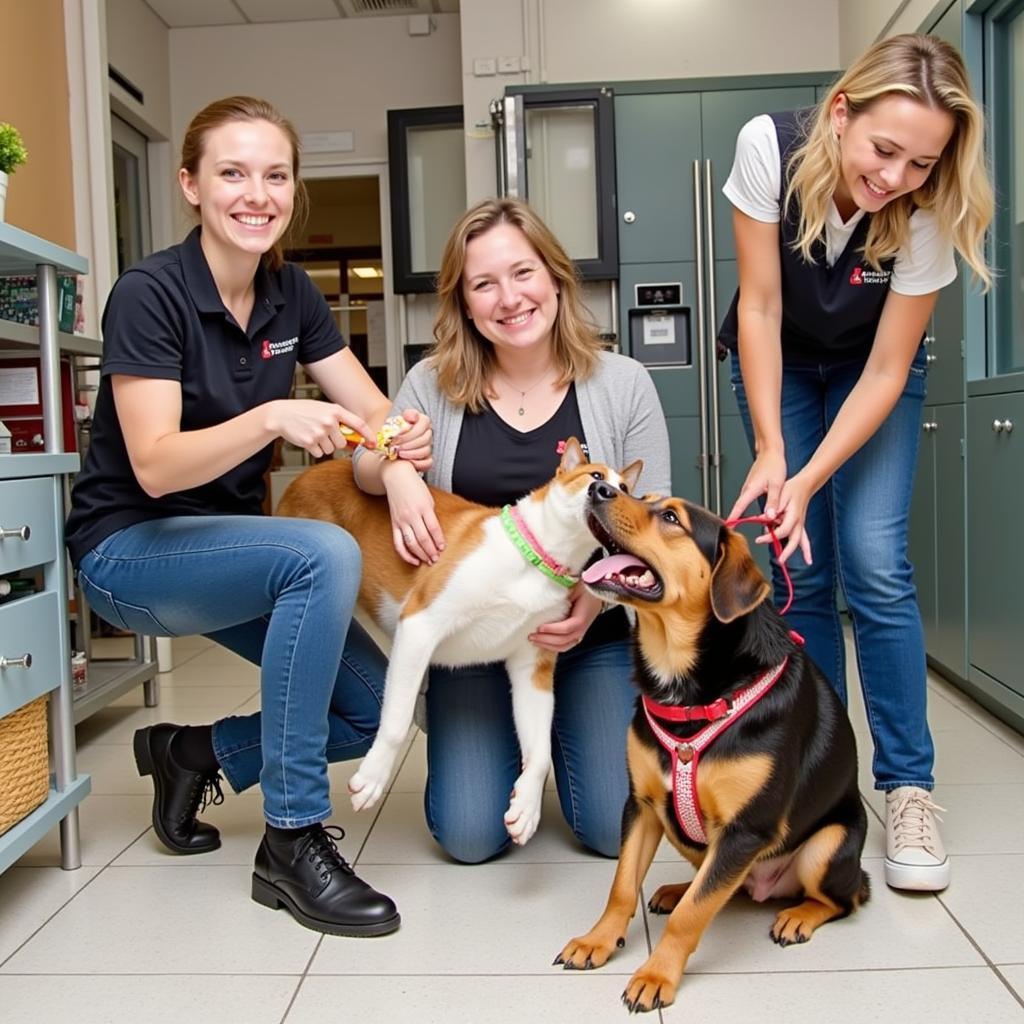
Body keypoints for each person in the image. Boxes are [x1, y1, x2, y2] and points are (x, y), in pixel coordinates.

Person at [65, 96, 436, 937]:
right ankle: (292, 839)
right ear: (190, 184)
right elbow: (155, 465)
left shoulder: (290, 294)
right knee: (322, 553)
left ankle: (190, 754)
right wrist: (272, 419)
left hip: (237, 554)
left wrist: (403, 455)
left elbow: (377, 424)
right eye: (232, 173)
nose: (256, 193)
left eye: (275, 174)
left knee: (379, 712)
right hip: (129, 553)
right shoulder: (149, 294)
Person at [717, 34, 993, 892]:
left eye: (921, 161)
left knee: (875, 564)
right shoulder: (770, 144)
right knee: (806, 570)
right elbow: (759, 306)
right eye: (884, 150)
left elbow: (884, 371)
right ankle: (820, 788)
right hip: (779, 360)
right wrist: (773, 453)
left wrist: (807, 477)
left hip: (875, 372)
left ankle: (907, 786)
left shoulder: (927, 209)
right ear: (842, 113)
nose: (897, 175)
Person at [352, 198, 672, 864]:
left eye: (523, 273)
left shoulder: (624, 384)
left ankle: (568, 734)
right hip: (474, 634)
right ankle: (509, 735)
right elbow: (365, 453)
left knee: (614, 831)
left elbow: (650, 531)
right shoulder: (430, 384)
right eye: (484, 284)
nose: (509, 298)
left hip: (586, 635)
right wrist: (397, 471)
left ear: (555, 277)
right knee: (469, 837)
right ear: (465, 303)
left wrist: (592, 604)